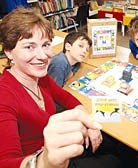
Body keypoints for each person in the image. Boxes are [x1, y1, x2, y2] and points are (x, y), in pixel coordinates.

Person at [0, 8, 122, 168]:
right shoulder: (4, 96)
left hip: (62, 143)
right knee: (114, 162)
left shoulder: (40, 77)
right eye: (29, 47)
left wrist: (90, 124)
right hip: (45, 161)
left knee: (113, 143)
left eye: (45, 45)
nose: (43, 56)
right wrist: (43, 162)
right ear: (8, 51)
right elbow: (5, 162)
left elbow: (66, 98)